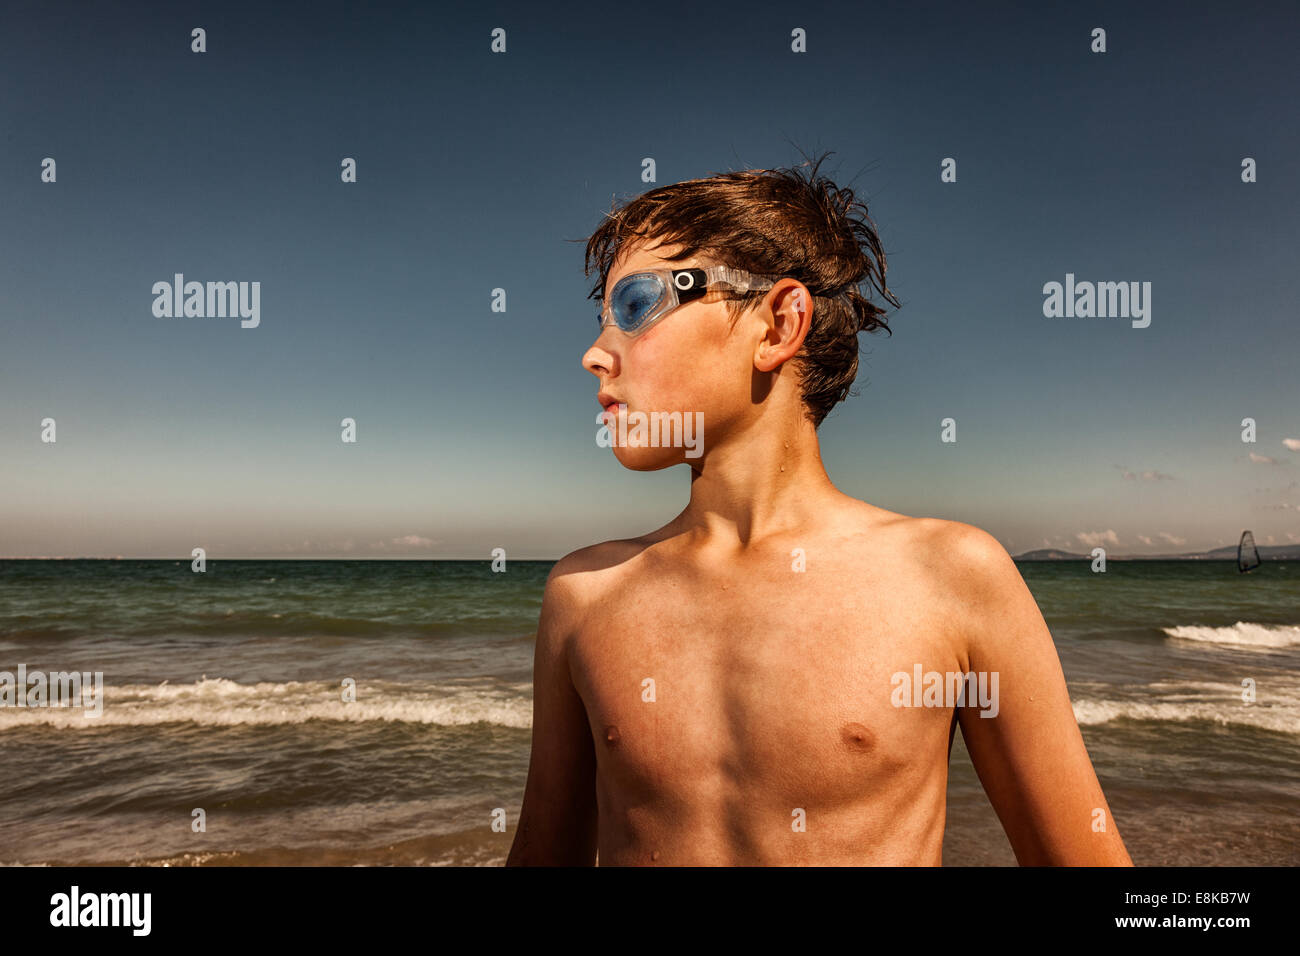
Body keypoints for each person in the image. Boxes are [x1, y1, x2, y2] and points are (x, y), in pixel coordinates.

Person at [506, 154, 1132, 866]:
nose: (596, 353)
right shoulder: (585, 593)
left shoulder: (950, 577)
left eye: (635, 306)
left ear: (777, 324)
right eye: (600, 318)